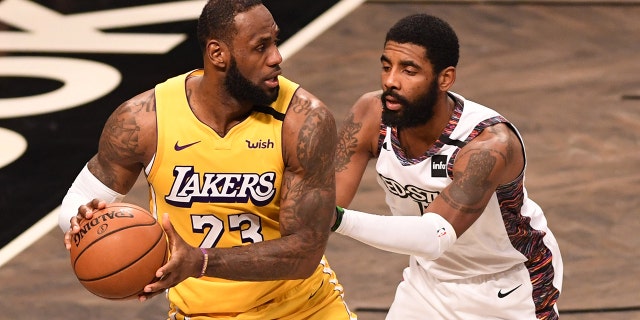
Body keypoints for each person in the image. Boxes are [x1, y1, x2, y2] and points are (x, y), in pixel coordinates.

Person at [59, 1, 356, 319]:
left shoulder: (304, 121)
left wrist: (199, 262)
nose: (276, 58)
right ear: (218, 54)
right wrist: (81, 218)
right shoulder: (144, 120)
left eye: (275, 42)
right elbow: (79, 201)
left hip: (302, 310)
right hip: (200, 314)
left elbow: (305, 251)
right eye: (261, 47)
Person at [332, 13, 563, 320]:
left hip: (506, 285)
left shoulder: (489, 145)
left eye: (409, 70)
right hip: (428, 280)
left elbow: (434, 236)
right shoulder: (370, 112)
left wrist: (336, 220)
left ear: (445, 78)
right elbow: (328, 198)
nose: (390, 81)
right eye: (386, 66)